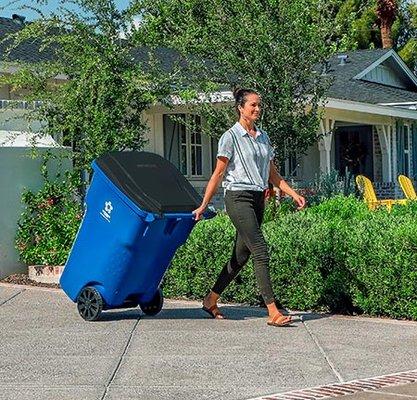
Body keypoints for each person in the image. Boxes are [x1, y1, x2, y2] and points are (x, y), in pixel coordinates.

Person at [192, 88, 306, 327]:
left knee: (241, 256)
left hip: (257, 199)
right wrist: (203, 205)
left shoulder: (263, 137)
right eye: (252, 105)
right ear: (240, 108)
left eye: (259, 105)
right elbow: (218, 174)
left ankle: (210, 300)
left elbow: (272, 174)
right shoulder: (230, 137)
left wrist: (293, 193)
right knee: (260, 250)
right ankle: (272, 310)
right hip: (237, 198)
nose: (257, 109)